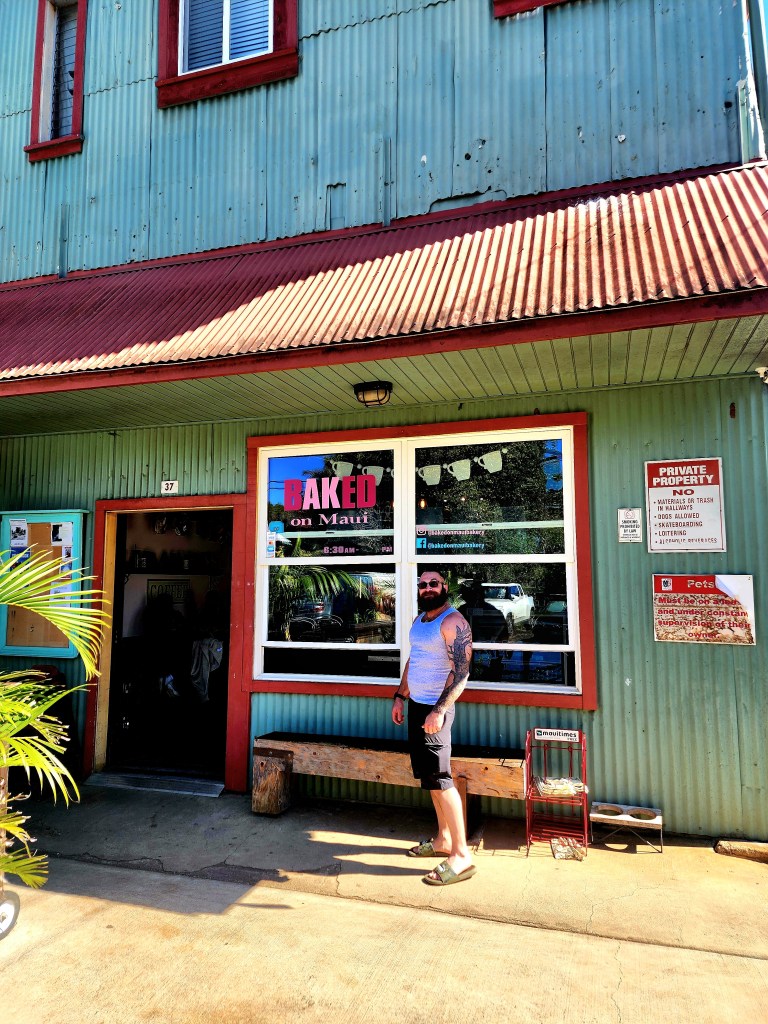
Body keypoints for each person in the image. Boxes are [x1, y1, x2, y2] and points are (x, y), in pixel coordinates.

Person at [392, 568, 476, 886]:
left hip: (436, 710)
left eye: (433, 583)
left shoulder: (454, 622)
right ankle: (443, 839)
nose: (427, 588)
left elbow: (462, 672)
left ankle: (462, 855)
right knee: (430, 779)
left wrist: (439, 711)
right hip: (417, 706)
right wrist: (400, 696)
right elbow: (414, 661)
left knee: (442, 778)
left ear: (445, 587)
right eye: (423, 584)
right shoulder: (420, 621)